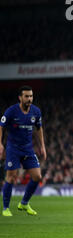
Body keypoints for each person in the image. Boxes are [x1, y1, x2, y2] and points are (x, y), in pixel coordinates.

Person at [1, 86, 46, 217]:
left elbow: (39, 129)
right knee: (11, 177)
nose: (29, 99)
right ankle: (6, 208)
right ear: (20, 98)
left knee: (37, 176)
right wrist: (0, 144)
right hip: (13, 148)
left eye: (31, 96)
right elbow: (1, 126)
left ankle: (24, 203)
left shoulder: (36, 112)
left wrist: (42, 146)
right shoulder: (11, 111)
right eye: (26, 96)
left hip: (28, 148)